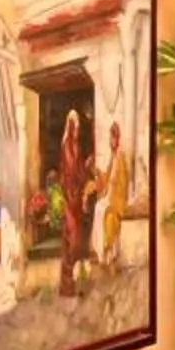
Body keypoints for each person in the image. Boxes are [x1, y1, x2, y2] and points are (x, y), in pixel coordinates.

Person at [55, 110, 91, 297]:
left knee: (74, 240)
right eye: (75, 126)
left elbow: (79, 171)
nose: (77, 130)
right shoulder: (67, 146)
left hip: (75, 198)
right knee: (71, 238)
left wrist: (85, 167)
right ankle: (67, 286)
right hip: (69, 197)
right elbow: (70, 173)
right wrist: (83, 170)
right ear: (70, 126)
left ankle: (72, 284)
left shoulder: (75, 145)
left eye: (78, 127)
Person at [99, 120, 133, 271]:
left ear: (117, 139)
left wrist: (114, 195)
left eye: (112, 138)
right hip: (110, 197)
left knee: (109, 216)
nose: (110, 141)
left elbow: (124, 182)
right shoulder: (112, 157)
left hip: (118, 200)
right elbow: (107, 178)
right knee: (98, 209)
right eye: (109, 138)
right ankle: (103, 252)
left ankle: (110, 253)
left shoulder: (120, 157)